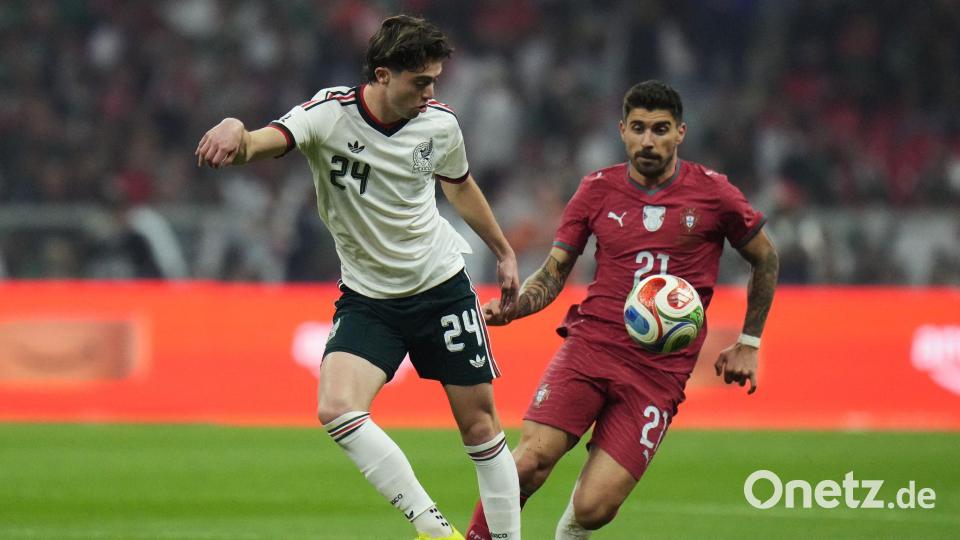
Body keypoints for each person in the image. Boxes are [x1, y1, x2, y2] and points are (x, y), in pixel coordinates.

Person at [195, 15, 522, 540]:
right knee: (337, 409)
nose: (430, 92)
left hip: (441, 287)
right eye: (421, 81)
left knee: (481, 426)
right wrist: (236, 126)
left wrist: (503, 251)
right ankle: (434, 529)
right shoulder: (328, 115)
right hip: (370, 299)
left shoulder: (440, 124)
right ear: (382, 74)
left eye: (434, 80)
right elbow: (260, 143)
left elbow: (459, 187)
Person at [466, 80, 779, 539]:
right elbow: (555, 270)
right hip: (592, 346)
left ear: (680, 133)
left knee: (594, 508)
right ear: (622, 131)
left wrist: (749, 342)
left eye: (660, 129)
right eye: (638, 128)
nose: (648, 140)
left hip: (659, 373)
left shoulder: (714, 194)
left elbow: (765, 257)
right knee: (529, 462)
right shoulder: (595, 190)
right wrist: (516, 307)